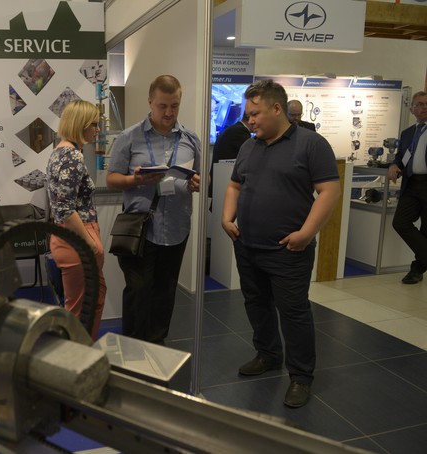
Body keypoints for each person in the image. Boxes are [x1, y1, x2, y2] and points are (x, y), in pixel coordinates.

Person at [221, 79, 340, 408]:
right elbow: (234, 185)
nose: (250, 120)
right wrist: (227, 218)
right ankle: (268, 354)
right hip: (247, 245)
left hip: (289, 250)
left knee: (293, 312)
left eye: (255, 114)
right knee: (256, 304)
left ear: (277, 108)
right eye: (248, 115)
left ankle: (301, 376)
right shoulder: (248, 147)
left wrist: (306, 233)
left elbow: (329, 191)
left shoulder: (311, 144)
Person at [106, 75, 202, 344]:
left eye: (174, 106)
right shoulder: (129, 137)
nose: (169, 112)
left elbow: (200, 177)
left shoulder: (190, 139)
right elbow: (112, 179)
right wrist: (135, 180)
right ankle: (133, 350)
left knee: (165, 292)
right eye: (162, 106)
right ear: (150, 102)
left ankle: (158, 348)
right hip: (141, 229)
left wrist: (197, 183)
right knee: (138, 292)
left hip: (176, 228)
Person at [47, 99, 107, 339]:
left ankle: (82, 352)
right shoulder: (73, 156)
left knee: (91, 301)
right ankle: (76, 355)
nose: (97, 129)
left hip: (69, 238)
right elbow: (64, 208)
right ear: (80, 124)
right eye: (94, 124)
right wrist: (89, 243)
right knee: (80, 311)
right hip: (77, 238)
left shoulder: (59, 152)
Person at [388, 91, 427, 284]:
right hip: (411, 184)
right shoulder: (408, 133)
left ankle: (417, 270)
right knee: (400, 223)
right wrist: (394, 166)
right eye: (419, 104)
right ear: (412, 109)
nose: (424, 107)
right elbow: (401, 158)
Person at [209, 111, 252, 198]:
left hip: (219, 180)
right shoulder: (241, 131)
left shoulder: (233, 129)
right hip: (226, 181)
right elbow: (250, 157)